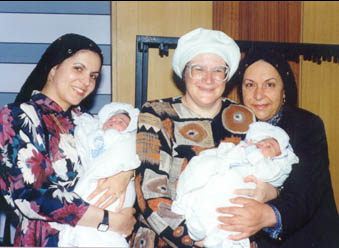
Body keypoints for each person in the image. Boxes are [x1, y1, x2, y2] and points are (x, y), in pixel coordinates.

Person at [129, 27, 277, 248]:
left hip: (234, 236)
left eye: (218, 70)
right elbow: (150, 193)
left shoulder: (245, 117)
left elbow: (271, 170)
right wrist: (198, 240)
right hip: (168, 239)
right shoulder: (157, 113)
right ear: (184, 72)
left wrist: (270, 191)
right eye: (199, 69)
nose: (209, 79)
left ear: (227, 76)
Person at [0, 33, 136, 247]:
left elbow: (123, 148)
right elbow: (30, 197)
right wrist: (108, 221)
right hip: (44, 240)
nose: (86, 82)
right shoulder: (19, 117)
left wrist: (125, 173)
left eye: (93, 75)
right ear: (54, 68)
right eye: (78, 68)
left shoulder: (89, 122)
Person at [218, 48, 339, 247]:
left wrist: (268, 210)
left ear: (284, 91)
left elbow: (305, 193)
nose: (258, 95)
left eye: (270, 85)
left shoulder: (307, 125)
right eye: (250, 85)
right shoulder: (235, 127)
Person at [172, 121, 299, 248]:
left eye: (269, 147)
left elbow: (266, 174)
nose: (263, 145)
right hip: (218, 179)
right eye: (262, 141)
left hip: (238, 189)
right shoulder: (243, 149)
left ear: (278, 157)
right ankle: (195, 222)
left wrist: (252, 152)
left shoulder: (271, 166)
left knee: (228, 212)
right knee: (205, 195)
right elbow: (226, 152)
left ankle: (220, 239)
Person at [58, 102, 140, 247]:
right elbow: (84, 142)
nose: (114, 122)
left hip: (119, 182)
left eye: (121, 122)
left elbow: (132, 152)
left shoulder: (126, 138)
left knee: (114, 207)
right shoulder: (95, 133)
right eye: (111, 119)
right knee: (92, 202)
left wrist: (127, 171)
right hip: (93, 179)